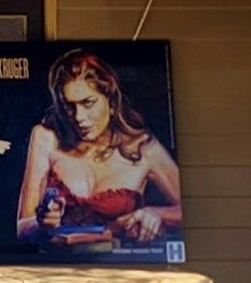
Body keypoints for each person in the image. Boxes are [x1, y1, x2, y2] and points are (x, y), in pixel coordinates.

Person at [13, 49, 181, 251]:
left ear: (110, 101)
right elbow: (22, 228)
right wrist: (42, 223)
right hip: (54, 264)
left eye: (88, 103)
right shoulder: (46, 138)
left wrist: (156, 214)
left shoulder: (143, 148)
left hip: (121, 265)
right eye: (69, 106)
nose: (78, 117)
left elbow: (190, 209)